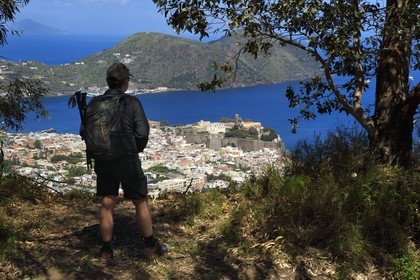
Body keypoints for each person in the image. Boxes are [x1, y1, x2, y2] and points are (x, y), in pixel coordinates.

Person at [91, 63, 168, 265]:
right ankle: (150, 245)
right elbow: (142, 133)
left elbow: (86, 131)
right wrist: (135, 149)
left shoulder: (94, 103)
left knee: (107, 201)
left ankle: (106, 251)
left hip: (103, 158)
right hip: (126, 158)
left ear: (108, 82)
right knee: (140, 200)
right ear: (126, 82)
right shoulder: (132, 102)